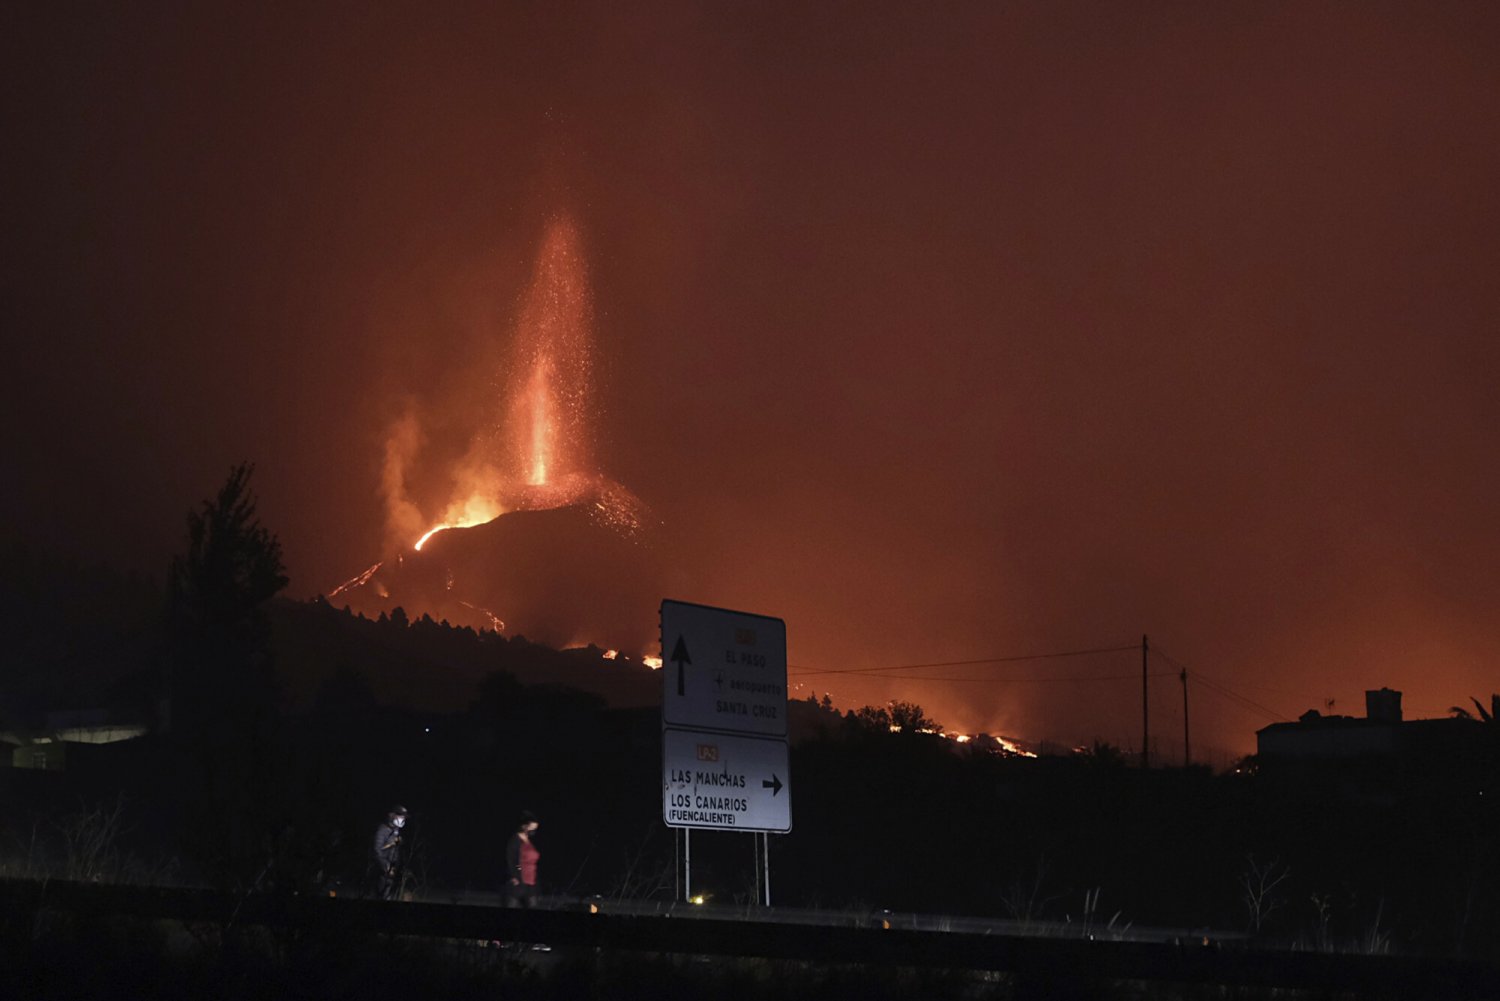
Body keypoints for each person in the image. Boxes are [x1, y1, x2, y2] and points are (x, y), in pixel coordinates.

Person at [504, 810, 540, 908]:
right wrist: (514, 876)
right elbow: (510, 859)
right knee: (512, 904)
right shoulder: (515, 841)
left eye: (535, 829)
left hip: (531, 880)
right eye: (532, 828)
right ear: (524, 826)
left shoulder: (529, 842)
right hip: (519, 880)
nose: (533, 831)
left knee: (533, 904)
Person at [373, 805, 407, 900]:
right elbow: (377, 850)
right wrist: (386, 867)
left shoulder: (397, 830)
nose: (402, 819)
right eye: (400, 816)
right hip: (383, 871)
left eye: (404, 817)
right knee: (382, 895)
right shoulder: (382, 830)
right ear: (391, 815)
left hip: (395, 870)